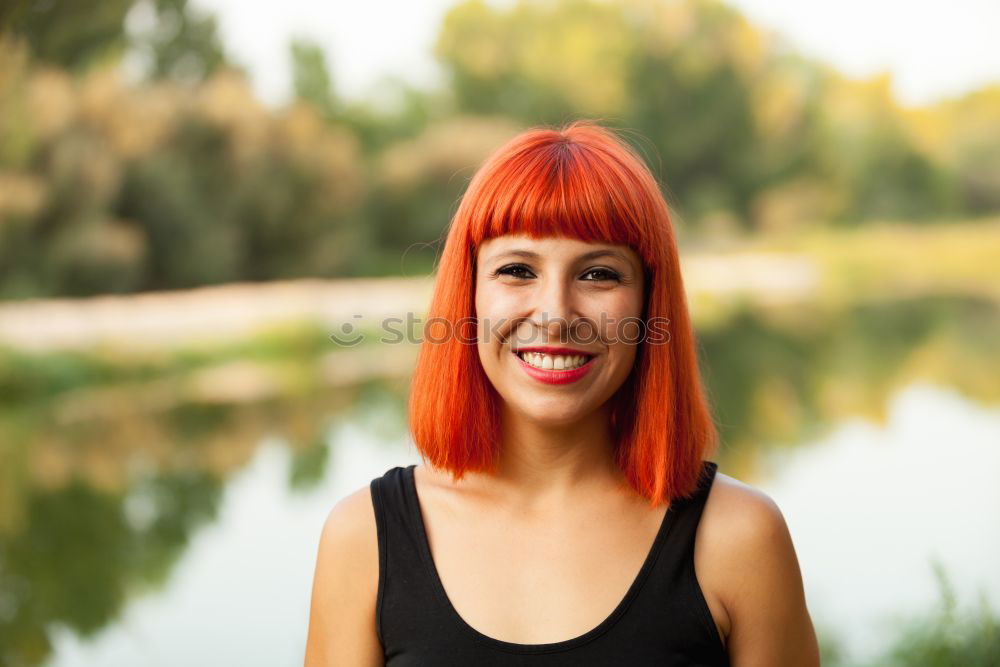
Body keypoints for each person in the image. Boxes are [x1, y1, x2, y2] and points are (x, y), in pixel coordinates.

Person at [304, 121, 820, 666]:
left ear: (649, 306)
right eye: (517, 270)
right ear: (469, 295)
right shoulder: (363, 539)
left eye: (598, 274)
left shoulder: (739, 539)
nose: (554, 316)